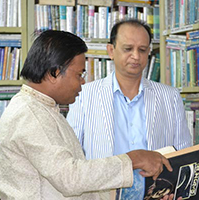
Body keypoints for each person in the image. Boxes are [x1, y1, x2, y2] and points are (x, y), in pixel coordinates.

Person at [0, 30, 176, 200]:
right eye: (79, 74)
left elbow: (77, 184)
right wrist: (133, 159)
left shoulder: (43, 108)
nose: (82, 83)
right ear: (54, 73)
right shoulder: (28, 114)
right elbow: (70, 178)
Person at [67, 19, 192, 199]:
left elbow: (183, 153)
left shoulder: (169, 96)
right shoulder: (84, 95)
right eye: (128, 49)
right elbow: (73, 154)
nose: (136, 56)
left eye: (142, 50)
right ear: (111, 50)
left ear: (149, 52)